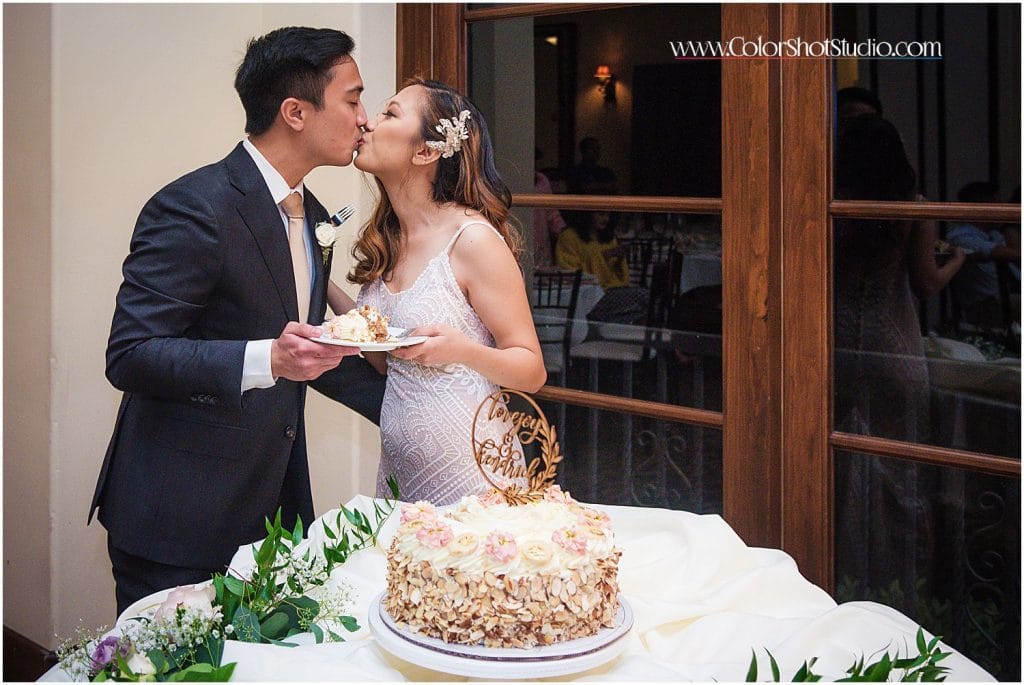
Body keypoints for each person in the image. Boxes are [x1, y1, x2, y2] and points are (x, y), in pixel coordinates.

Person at [90, 27, 386, 615]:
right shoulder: (195, 206)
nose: (364, 118)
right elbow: (131, 353)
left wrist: (417, 412)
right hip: (180, 512)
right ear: (295, 112)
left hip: (271, 506)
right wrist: (267, 357)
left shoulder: (311, 213)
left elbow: (306, 350)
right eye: (353, 99)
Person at [325, 79, 546, 505]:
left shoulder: (472, 240)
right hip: (400, 476)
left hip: (472, 475)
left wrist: (462, 351)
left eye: (390, 114)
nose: (367, 122)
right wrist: (320, 284)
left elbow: (532, 370)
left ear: (426, 151)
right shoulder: (390, 239)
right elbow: (383, 359)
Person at [832, 113, 964, 617]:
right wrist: (959, 261)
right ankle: (901, 595)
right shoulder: (913, 207)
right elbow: (926, 283)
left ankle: (838, 577)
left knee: (839, 467)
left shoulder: (834, 204)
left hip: (837, 344)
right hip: (893, 346)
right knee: (901, 474)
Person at [947, 181, 1021, 326]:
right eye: (997, 203)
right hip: (986, 305)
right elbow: (1003, 253)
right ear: (983, 206)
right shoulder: (962, 237)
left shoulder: (994, 235)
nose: (1002, 209)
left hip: (1009, 298)